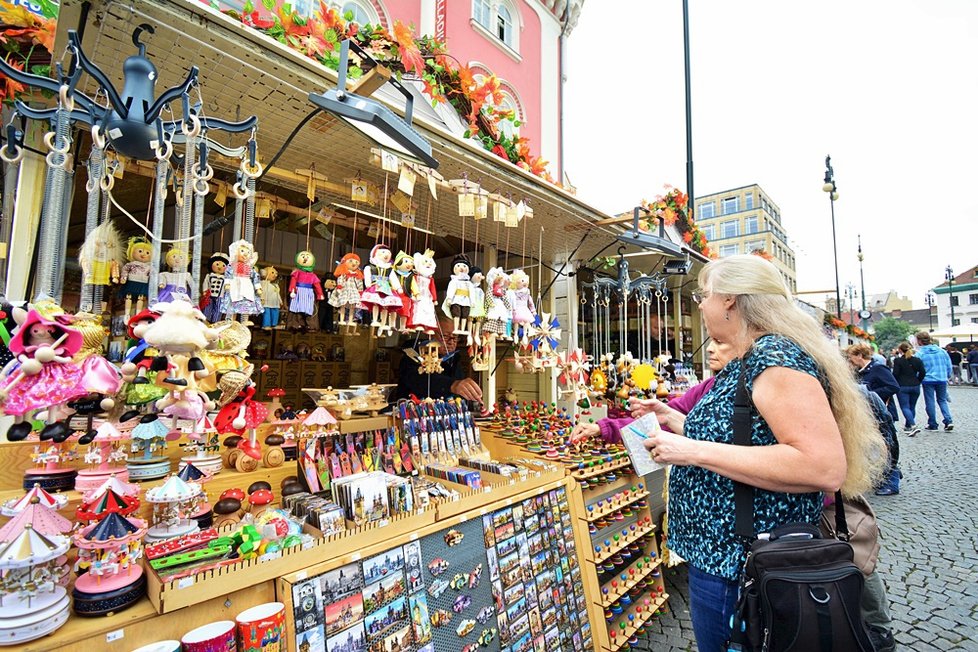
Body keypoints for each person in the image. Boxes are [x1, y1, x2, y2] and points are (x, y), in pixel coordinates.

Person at [633, 255, 886, 652]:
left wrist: (692, 451)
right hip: (726, 558)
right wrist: (675, 420)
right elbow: (745, 438)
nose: (700, 305)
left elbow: (821, 466)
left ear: (730, 299)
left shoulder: (774, 358)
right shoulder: (753, 357)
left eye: (704, 295)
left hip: (744, 563)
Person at [568, 341, 725, 444]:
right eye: (711, 341)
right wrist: (601, 428)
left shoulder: (746, 392)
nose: (710, 348)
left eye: (719, 342)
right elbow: (654, 422)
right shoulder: (706, 389)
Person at [393, 314, 482, 404]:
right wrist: (452, 385)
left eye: (455, 337)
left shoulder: (453, 358)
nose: (451, 342)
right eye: (445, 336)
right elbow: (418, 380)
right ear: (431, 335)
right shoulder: (413, 354)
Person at [846, 343, 900, 422]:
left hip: (881, 412)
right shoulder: (859, 370)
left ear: (859, 356)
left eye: (850, 357)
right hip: (870, 412)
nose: (849, 360)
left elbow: (893, 387)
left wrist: (871, 394)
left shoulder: (878, 368)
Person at [915, 331, 953, 431]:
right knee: (942, 400)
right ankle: (948, 420)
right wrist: (947, 376)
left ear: (919, 341)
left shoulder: (920, 354)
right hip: (942, 379)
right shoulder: (942, 351)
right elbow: (949, 366)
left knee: (930, 401)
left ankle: (933, 423)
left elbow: (917, 369)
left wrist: (918, 379)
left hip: (927, 380)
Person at [891, 342, 925, 436]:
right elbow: (923, 372)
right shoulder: (917, 360)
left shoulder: (898, 361)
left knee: (905, 407)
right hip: (915, 385)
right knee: (912, 407)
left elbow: (895, 374)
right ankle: (908, 425)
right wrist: (918, 381)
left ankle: (913, 425)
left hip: (903, 386)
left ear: (900, 350)